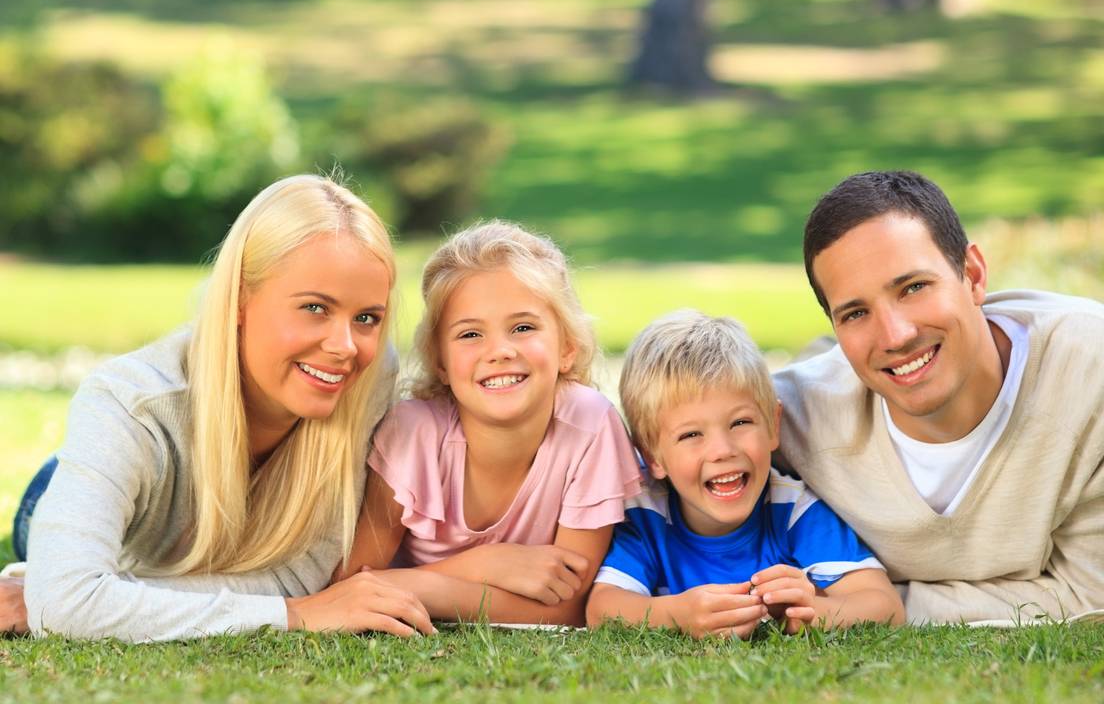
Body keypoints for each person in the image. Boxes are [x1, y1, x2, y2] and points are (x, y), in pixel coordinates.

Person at [11, 175, 436, 642]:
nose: (345, 345)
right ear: (238, 299)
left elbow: (300, 579)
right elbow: (69, 606)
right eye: (315, 308)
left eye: (367, 318)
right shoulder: (129, 403)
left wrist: (96, 595)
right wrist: (295, 615)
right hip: (105, 507)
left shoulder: (368, 376)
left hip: (207, 543)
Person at [775, 170, 1104, 624]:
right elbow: (661, 442)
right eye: (855, 312)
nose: (896, 334)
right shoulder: (790, 418)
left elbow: (1091, 594)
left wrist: (880, 604)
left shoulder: (1091, 377)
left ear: (972, 275)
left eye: (913, 288)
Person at [343, 220, 642, 624]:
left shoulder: (589, 427)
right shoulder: (413, 434)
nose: (499, 351)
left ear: (567, 347)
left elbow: (570, 607)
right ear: (440, 362)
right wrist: (483, 564)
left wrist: (413, 587)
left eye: (523, 328)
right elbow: (350, 586)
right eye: (470, 335)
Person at [586, 311, 903, 638]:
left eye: (740, 423)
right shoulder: (647, 514)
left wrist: (813, 609)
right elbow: (602, 609)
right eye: (691, 435)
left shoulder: (792, 509)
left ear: (772, 425)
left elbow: (884, 606)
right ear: (652, 456)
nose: (722, 450)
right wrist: (678, 615)